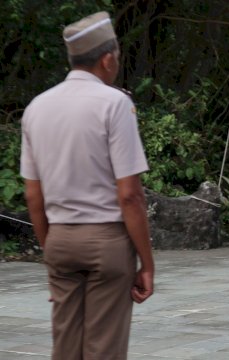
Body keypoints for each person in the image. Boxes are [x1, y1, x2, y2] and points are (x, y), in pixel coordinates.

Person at [20, 11, 154, 359]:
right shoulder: (115, 104)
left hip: (59, 238)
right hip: (106, 241)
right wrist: (147, 263)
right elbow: (129, 195)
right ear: (107, 59)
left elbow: (33, 195)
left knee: (65, 346)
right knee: (103, 349)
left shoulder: (36, 108)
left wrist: (50, 249)